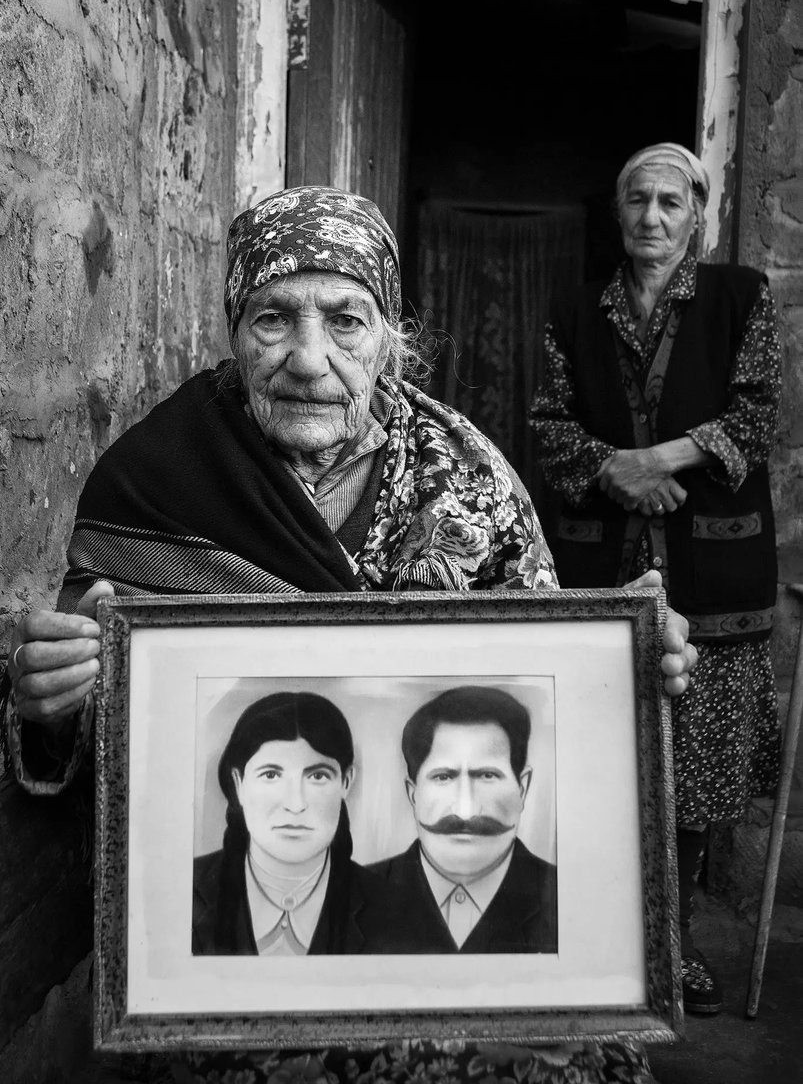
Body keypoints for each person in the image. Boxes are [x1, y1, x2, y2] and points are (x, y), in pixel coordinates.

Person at [5, 184, 697, 1083]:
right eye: (272, 318)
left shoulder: (465, 478)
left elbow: (550, 706)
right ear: (230, 328)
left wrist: (632, 676)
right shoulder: (153, 483)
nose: (307, 357)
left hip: (457, 971)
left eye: (345, 319)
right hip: (236, 973)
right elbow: (117, 756)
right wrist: (52, 704)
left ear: (390, 334)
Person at [530, 142, 782, 1017]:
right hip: (603, 569)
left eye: (670, 202)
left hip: (714, 577)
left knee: (691, 787)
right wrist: (609, 470)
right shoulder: (575, 308)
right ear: (617, 211)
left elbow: (754, 410)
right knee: (600, 767)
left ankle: (671, 950)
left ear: (697, 213)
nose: (651, 218)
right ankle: (603, 943)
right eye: (637, 200)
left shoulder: (738, 297)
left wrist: (652, 459)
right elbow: (547, 425)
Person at [193, 690, 412, 956]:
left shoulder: (396, 912)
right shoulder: (183, 892)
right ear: (239, 784)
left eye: (317, 776)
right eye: (271, 775)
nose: (295, 804)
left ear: (346, 782)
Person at [368, 685, 556, 954]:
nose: (466, 811)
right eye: (443, 777)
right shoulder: (350, 899)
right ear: (413, 794)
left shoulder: (569, 898)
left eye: (487, 776)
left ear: (522, 788)